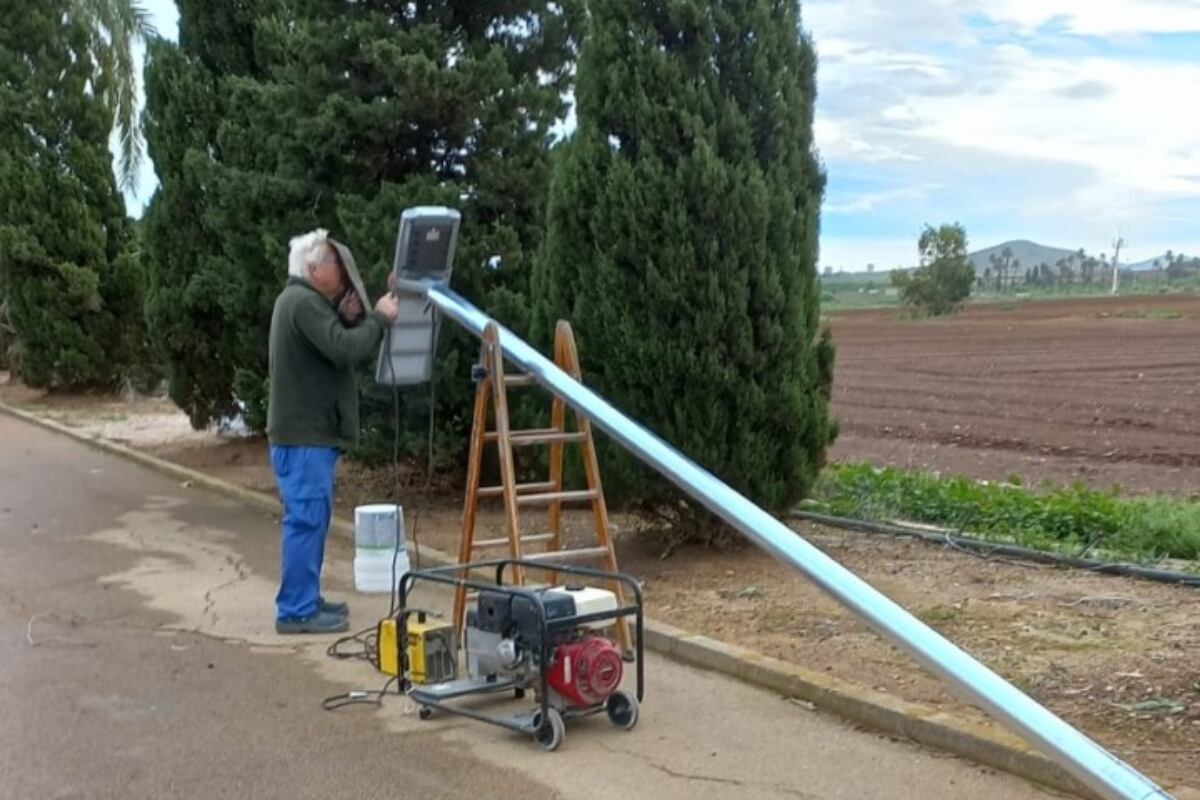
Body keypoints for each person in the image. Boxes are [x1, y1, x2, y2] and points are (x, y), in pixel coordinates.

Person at [267, 228, 399, 634]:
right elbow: (343, 347)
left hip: (306, 437)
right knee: (306, 521)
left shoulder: (304, 302)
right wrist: (378, 318)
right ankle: (296, 610)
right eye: (333, 264)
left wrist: (356, 314)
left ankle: (306, 599)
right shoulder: (303, 303)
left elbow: (335, 337)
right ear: (312, 268)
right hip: (304, 438)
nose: (341, 271)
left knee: (312, 519)